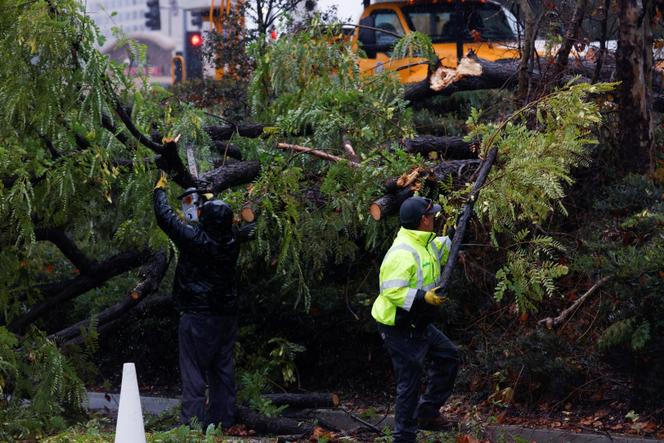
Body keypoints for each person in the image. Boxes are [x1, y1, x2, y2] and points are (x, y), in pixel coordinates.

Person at [153, 171, 255, 429]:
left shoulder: (195, 240)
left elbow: (165, 219)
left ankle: (194, 425)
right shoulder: (232, 241)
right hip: (226, 317)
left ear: (205, 220)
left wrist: (159, 191)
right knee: (222, 369)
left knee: (194, 372)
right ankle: (223, 421)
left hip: (198, 316)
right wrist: (208, 197)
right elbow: (224, 223)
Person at [371, 196, 460, 443]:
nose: (435, 219)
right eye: (432, 216)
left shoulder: (424, 242)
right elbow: (391, 290)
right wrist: (424, 298)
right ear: (423, 220)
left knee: (447, 356)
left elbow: (443, 248)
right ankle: (404, 437)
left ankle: (427, 414)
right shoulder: (401, 253)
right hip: (397, 326)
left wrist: (459, 228)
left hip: (417, 322)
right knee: (409, 381)